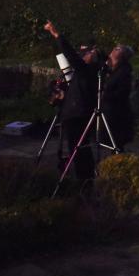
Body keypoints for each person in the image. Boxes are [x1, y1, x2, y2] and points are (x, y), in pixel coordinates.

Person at [44, 21, 100, 184]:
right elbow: (77, 90)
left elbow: (71, 56)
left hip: (78, 115)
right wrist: (63, 95)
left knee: (80, 149)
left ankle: (85, 180)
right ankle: (83, 178)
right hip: (74, 113)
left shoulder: (88, 70)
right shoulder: (84, 72)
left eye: (87, 53)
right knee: (77, 148)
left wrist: (57, 35)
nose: (84, 55)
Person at [103, 44, 135, 151]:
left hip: (118, 112)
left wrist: (104, 95)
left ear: (123, 55)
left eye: (117, 49)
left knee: (117, 143)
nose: (113, 50)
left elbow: (122, 92)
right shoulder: (110, 69)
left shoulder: (124, 71)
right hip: (109, 110)